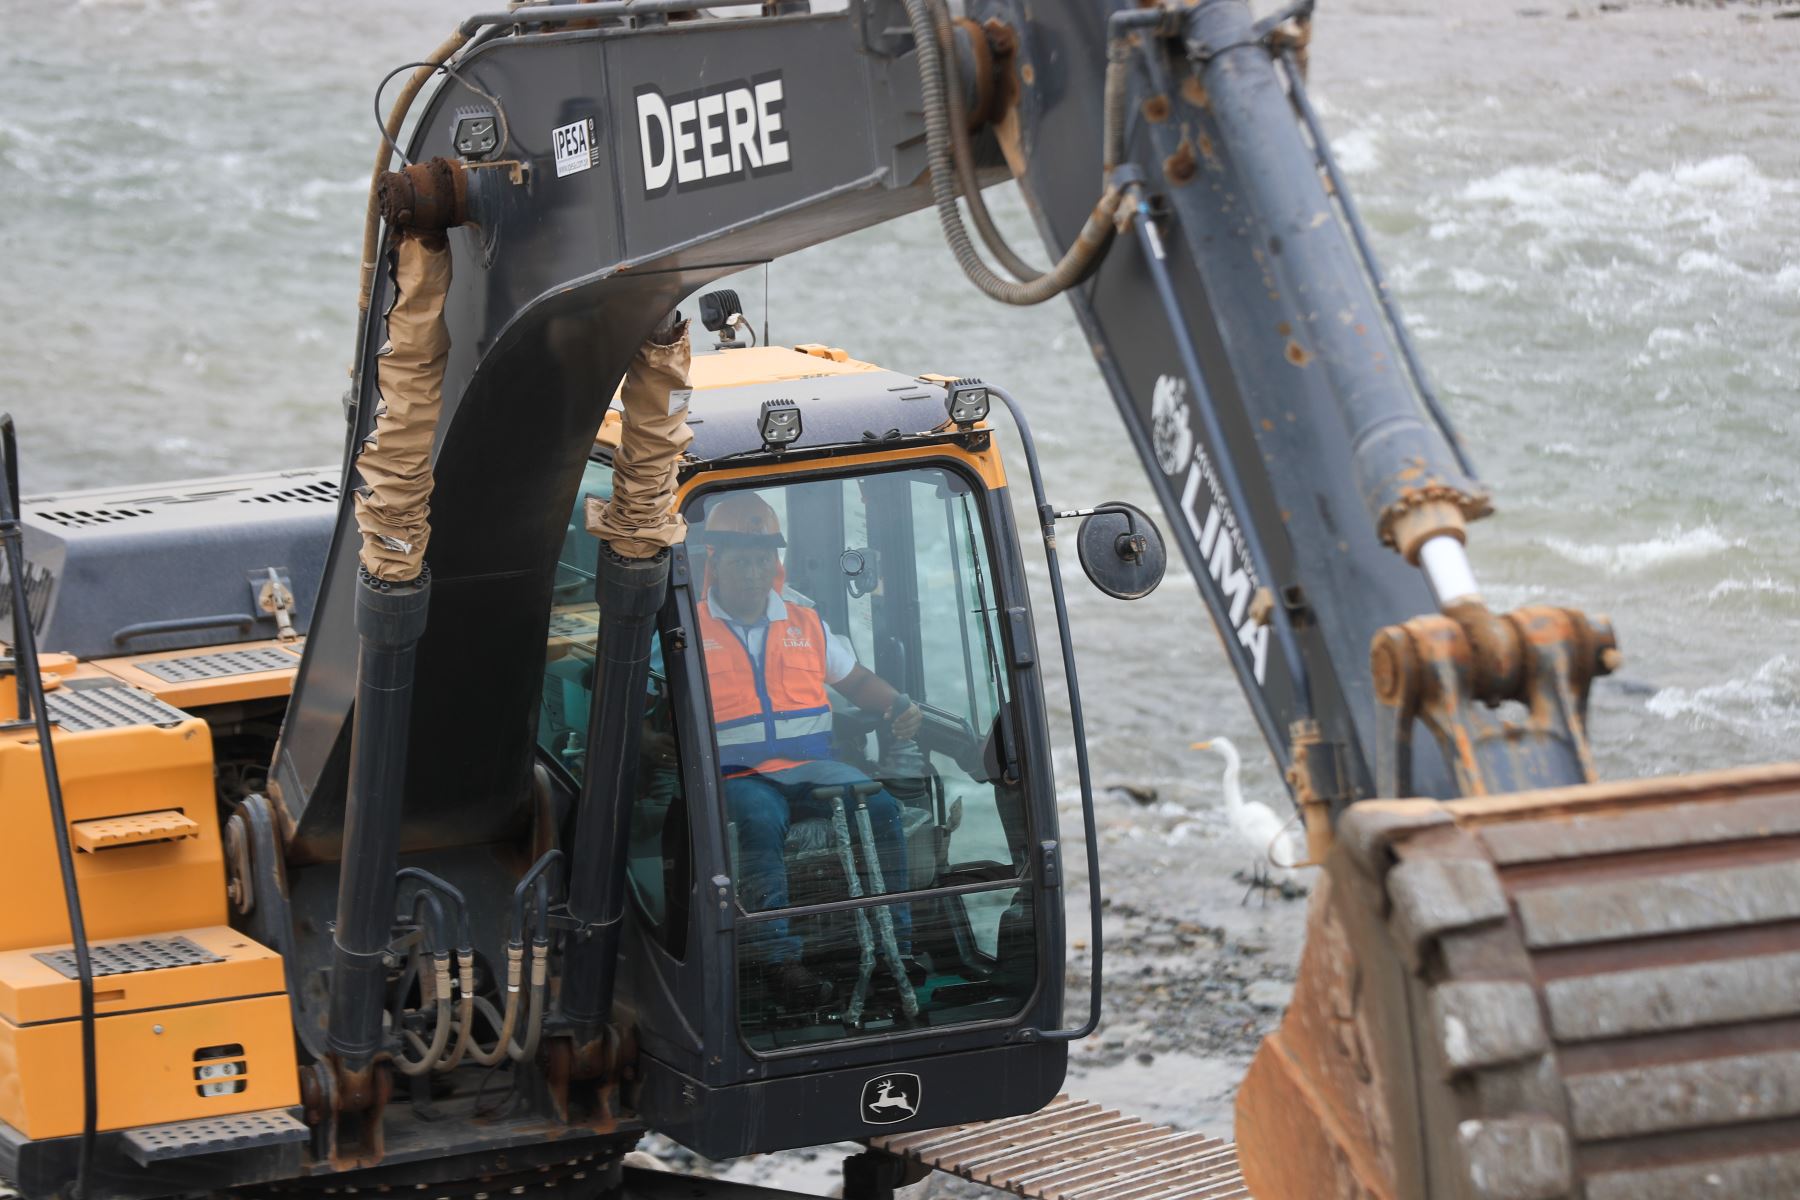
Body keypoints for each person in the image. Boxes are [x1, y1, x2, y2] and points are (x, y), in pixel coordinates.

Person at [695, 491, 922, 1002]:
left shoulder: (805, 622)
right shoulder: (689, 628)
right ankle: (779, 962)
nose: (753, 573)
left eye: (762, 560)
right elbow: (653, 705)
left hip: (813, 767)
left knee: (881, 807)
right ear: (715, 562)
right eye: (741, 562)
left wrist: (898, 704)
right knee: (758, 821)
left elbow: (856, 681)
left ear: (774, 563)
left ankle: (898, 949)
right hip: (738, 775)